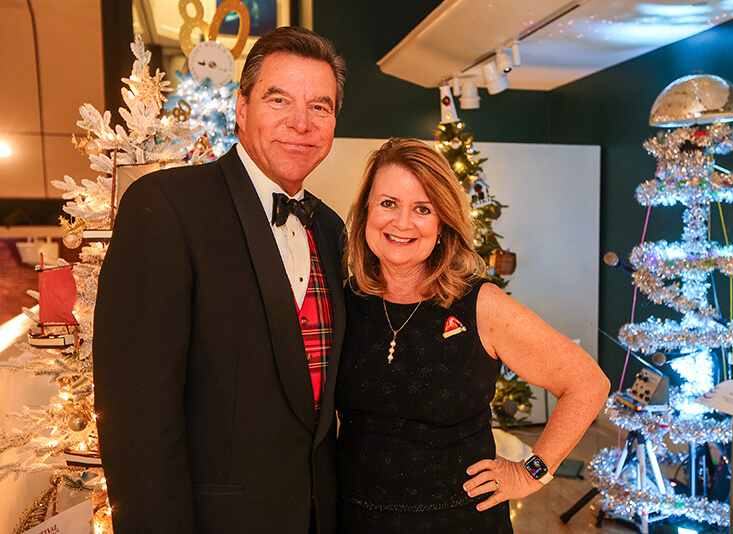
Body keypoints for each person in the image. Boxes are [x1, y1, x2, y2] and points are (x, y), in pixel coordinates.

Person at [93, 27, 347, 534]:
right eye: (279, 99)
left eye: (320, 106)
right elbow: (137, 420)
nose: (301, 122)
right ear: (241, 108)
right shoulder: (165, 207)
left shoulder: (330, 228)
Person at [335, 138, 611, 532]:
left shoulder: (480, 305)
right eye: (388, 203)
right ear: (366, 211)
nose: (402, 222)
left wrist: (532, 473)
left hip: (458, 520)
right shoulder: (345, 300)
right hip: (356, 519)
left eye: (423, 209)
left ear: (442, 222)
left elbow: (587, 383)